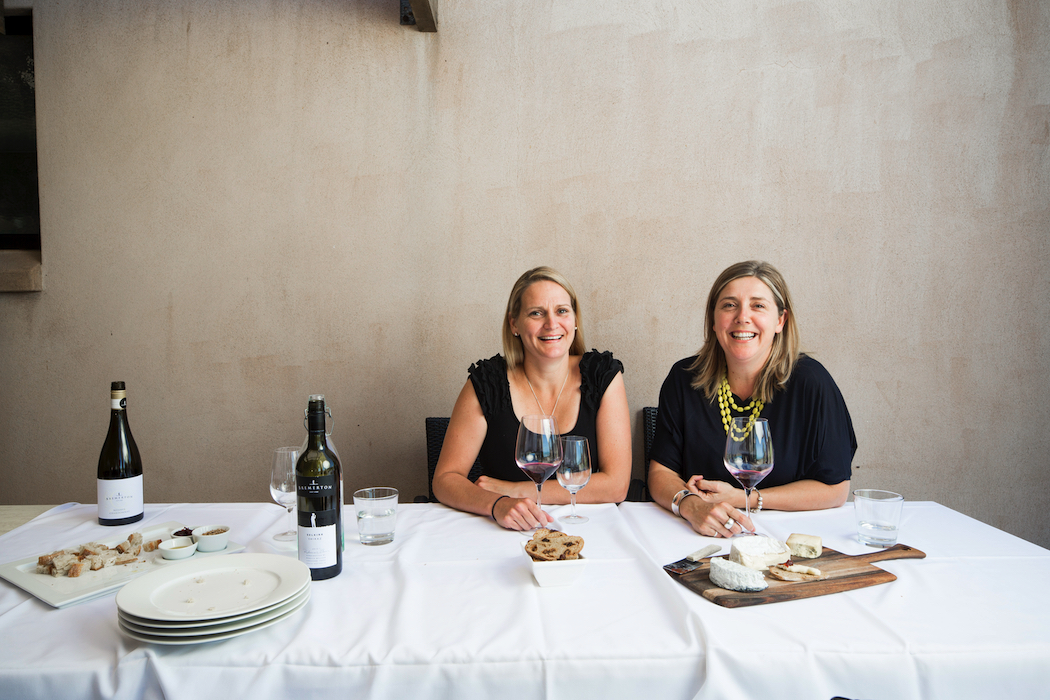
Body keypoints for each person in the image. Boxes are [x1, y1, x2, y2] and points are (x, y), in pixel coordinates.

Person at [648, 261, 856, 537]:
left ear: (780, 320)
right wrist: (691, 505)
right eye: (729, 305)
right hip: (695, 536)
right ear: (713, 319)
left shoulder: (812, 383)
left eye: (758, 305)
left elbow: (836, 490)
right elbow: (660, 472)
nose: (742, 317)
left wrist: (745, 499)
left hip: (786, 538)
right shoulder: (684, 377)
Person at [433, 266, 631, 530]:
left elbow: (616, 486)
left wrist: (513, 491)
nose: (551, 324)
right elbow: (445, 480)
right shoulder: (488, 382)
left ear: (574, 320)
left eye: (561, 311)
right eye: (536, 313)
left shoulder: (601, 375)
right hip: (501, 532)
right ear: (514, 323)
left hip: (588, 529)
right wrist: (496, 504)